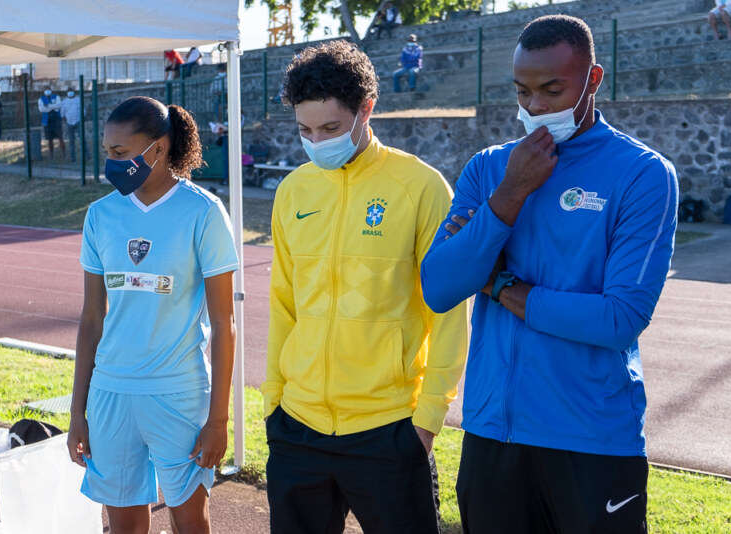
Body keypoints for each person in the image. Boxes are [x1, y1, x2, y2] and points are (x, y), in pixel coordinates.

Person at [420, 15, 678, 533]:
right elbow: (440, 287)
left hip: (592, 441)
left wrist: (499, 284)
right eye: (521, 91)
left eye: (551, 89)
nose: (534, 107)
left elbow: (617, 319)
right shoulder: (489, 168)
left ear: (593, 80)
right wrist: (509, 195)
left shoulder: (643, 174)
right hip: (492, 435)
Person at [262, 40, 468, 534]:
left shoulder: (420, 186)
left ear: (367, 110)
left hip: (389, 431)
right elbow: (284, 306)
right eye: (305, 130)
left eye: (331, 128)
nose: (317, 140)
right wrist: (273, 401)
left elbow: (447, 312)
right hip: (297, 428)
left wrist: (427, 419)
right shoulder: (293, 190)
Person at [67, 96, 239, 534]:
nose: (111, 162)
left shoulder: (203, 212)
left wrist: (218, 419)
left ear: (158, 148)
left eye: (121, 154)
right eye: (107, 152)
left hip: (177, 392)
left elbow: (224, 324)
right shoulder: (100, 215)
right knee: (123, 527)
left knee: (190, 525)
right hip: (110, 394)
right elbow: (91, 321)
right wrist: (77, 412)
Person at [38, 86, 65, 159]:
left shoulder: (56, 97)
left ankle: (64, 154)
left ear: (51, 90)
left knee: (60, 137)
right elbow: (41, 109)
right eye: (46, 89)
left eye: (48, 89)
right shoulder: (41, 99)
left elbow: (59, 106)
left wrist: (48, 106)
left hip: (56, 120)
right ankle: (51, 155)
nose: (47, 91)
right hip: (47, 121)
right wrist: (53, 107)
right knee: (49, 139)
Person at [60, 89, 87, 163]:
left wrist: (81, 118)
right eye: (69, 91)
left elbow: (83, 111)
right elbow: (62, 113)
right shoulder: (64, 101)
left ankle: (87, 155)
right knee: (71, 142)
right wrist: (65, 121)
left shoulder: (78, 100)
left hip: (78, 122)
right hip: (69, 123)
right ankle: (73, 158)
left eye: (71, 91)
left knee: (82, 139)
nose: (70, 93)